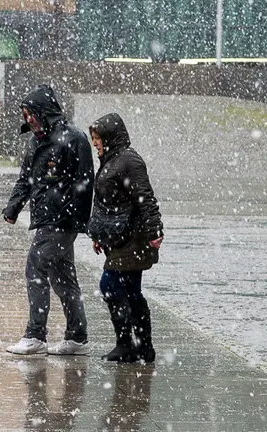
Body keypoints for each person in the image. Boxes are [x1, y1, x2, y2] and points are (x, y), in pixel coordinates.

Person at [3, 84, 94, 356]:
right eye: (25, 114)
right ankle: (77, 338)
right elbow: (26, 179)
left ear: (44, 111)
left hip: (61, 222)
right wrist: (13, 208)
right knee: (63, 278)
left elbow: (85, 182)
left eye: (31, 113)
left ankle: (35, 335)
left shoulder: (74, 139)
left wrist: (81, 222)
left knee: (35, 269)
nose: (27, 119)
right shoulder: (36, 141)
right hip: (45, 219)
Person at [87, 113, 164, 363]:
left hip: (134, 238)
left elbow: (145, 198)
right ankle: (142, 347)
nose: (95, 143)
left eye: (98, 138)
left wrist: (155, 231)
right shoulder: (110, 161)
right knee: (131, 291)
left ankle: (126, 345)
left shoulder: (129, 161)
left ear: (110, 137)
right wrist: (98, 234)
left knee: (109, 285)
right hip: (118, 237)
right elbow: (104, 203)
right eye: (94, 139)